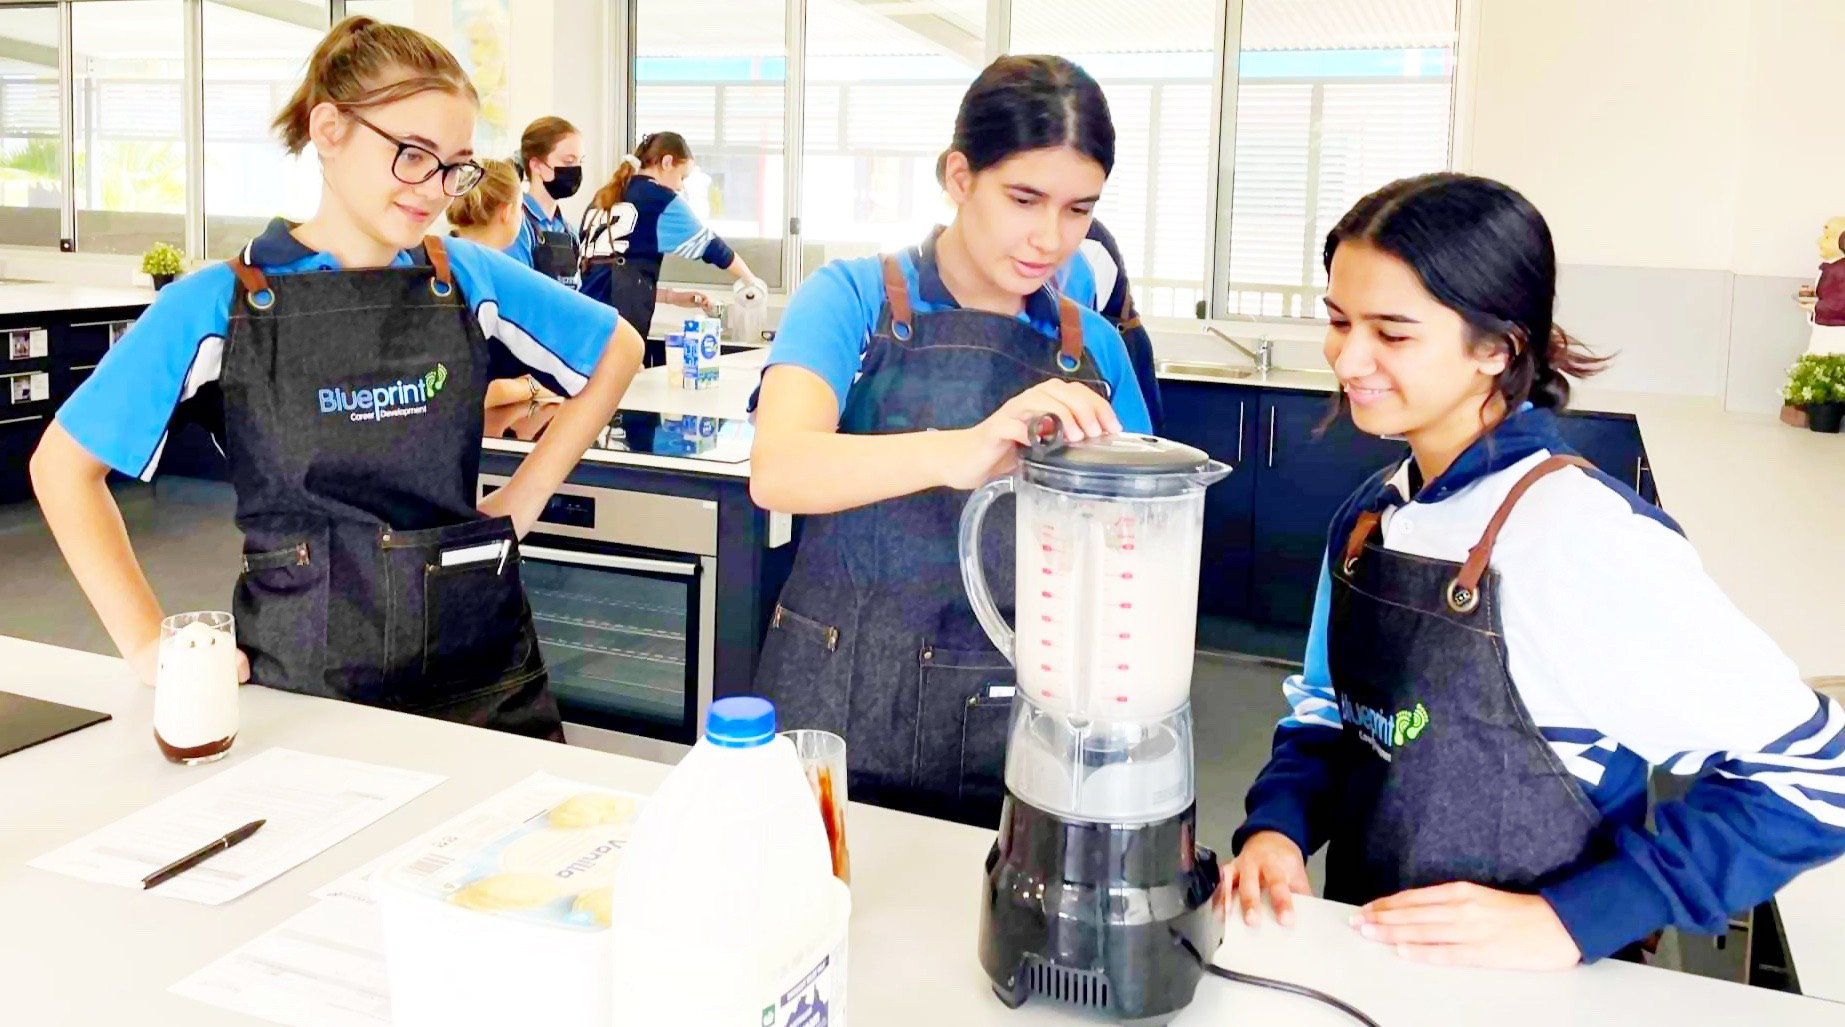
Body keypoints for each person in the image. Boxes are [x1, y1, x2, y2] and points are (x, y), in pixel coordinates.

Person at [1226, 173, 1845, 970]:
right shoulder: (1372, 516)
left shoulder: (1578, 538)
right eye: (1339, 320)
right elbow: (1328, 716)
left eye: (1392, 331)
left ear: (1496, 345)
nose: (1347, 357)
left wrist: (1571, 918)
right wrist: (1279, 826)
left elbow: (1819, 773)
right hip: (1377, 966)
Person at [30, 16, 644, 739]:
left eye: (455, 165)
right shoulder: (215, 307)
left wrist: (526, 493)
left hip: (479, 670)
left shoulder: (466, 275)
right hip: (304, 687)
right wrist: (145, 641)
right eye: (413, 155)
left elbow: (618, 349)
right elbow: (63, 468)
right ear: (329, 129)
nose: (437, 189)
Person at [749, 55, 1151, 828]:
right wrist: (955, 449)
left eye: (1077, 209)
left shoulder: (1094, 347)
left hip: (1015, 726)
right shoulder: (850, 298)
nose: (1049, 238)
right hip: (837, 701)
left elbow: (1132, 552)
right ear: (959, 177)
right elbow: (779, 468)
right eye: (1023, 198)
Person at [934, 148, 1163, 431]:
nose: (1049, 240)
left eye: (1078, 210)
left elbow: (1068, 328)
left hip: (1119, 333)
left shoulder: (1084, 249)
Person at [579, 132, 764, 365]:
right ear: (667, 163)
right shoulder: (661, 200)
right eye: (681, 177)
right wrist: (751, 283)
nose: (679, 187)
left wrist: (671, 297)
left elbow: (611, 274)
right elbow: (714, 248)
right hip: (618, 335)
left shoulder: (606, 195)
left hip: (584, 326)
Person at [447, 157, 565, 420]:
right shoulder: (500, 281)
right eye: (522, 207)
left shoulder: (437, 264)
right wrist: (529, 387)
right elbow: (473, 391)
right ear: (507, 211)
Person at [507, 115, 584, 286]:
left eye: (580, 161)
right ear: (536, 165)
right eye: (569, 161)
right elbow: (519, 292)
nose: (576, 170)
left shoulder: (569, 232)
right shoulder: (516, 225)